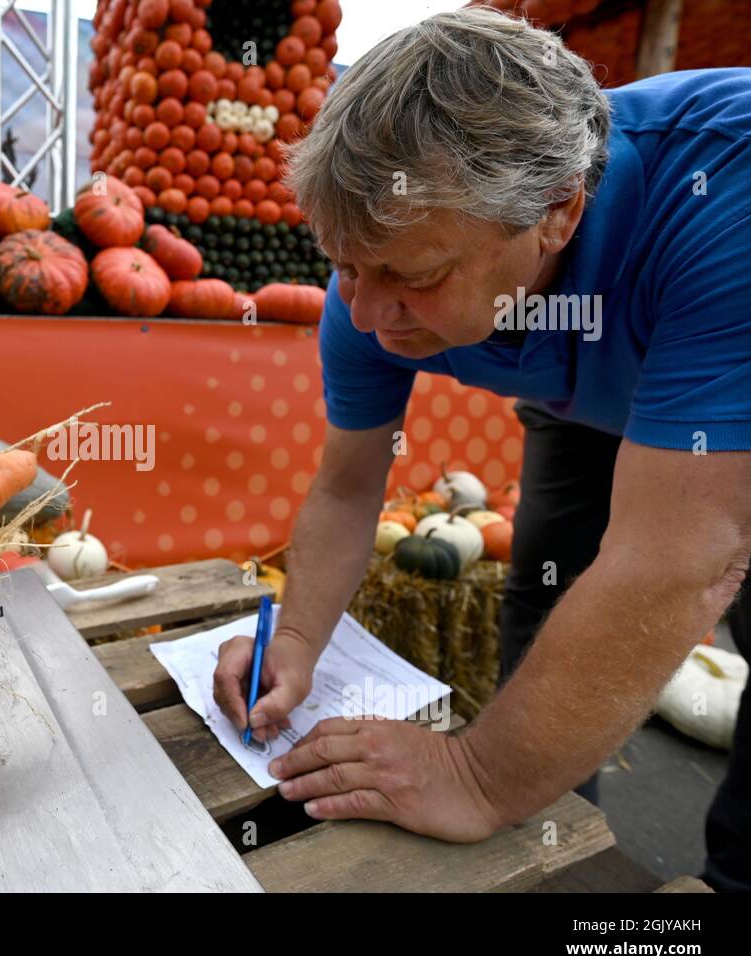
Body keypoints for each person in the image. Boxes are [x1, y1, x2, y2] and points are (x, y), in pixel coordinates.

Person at [212, 7, 751, 890]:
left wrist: (476, 775)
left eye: (415, 279)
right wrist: (299, 637)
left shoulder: (724, 186)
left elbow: (678, 562)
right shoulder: (379, 273)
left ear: (558, 214)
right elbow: (348, 489)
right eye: (347, 266)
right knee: (547, 581)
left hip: (722, 343)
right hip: (589, 380)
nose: (369, 315)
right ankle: (555, 846)